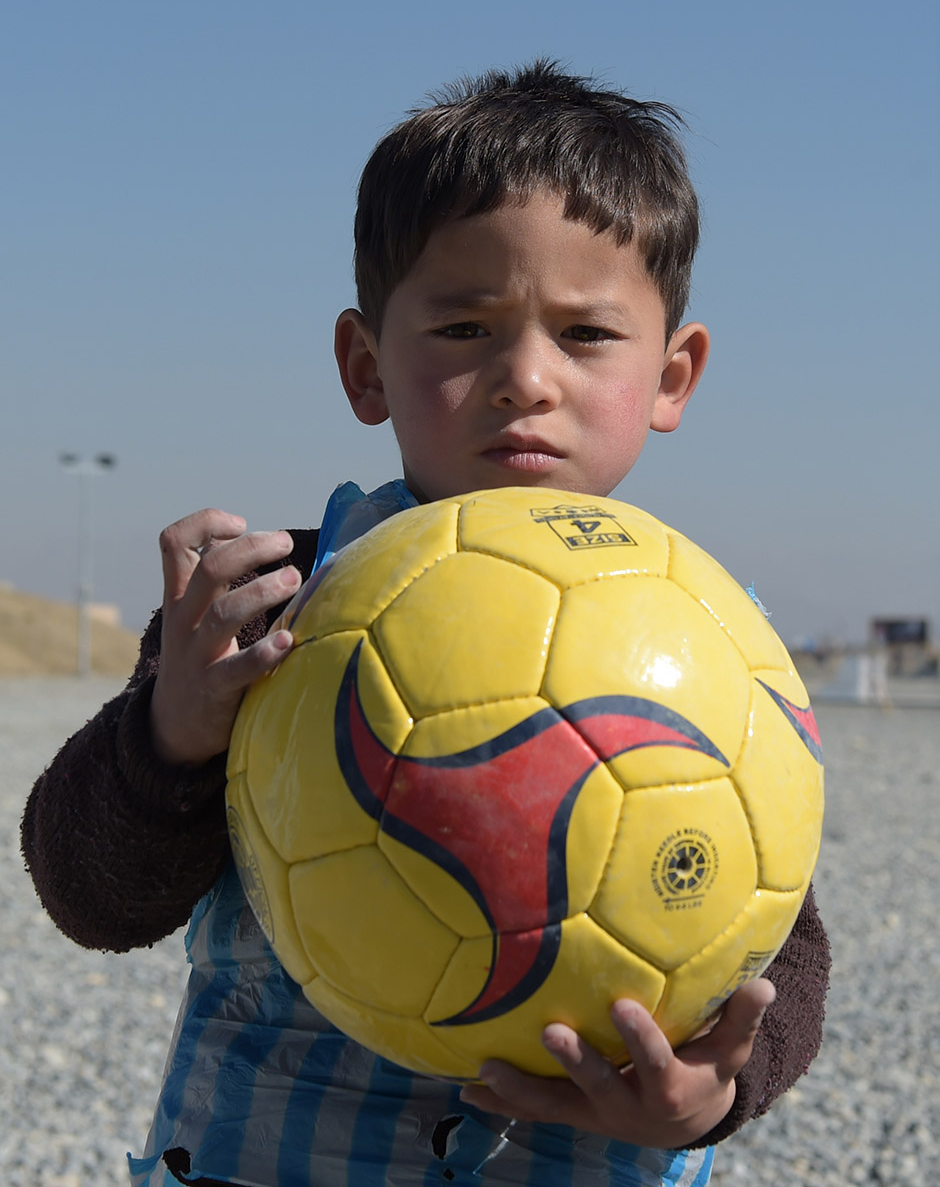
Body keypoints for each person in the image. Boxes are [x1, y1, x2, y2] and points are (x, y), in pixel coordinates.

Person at [21, 60, 830, 1187]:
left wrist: (715, 1094)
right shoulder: (264, 611)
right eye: (463, 327)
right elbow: (90, 897)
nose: (525, 378)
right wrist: (169, 729)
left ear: (671, 375)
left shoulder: (708, 643)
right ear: (365, 364)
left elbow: (775, 930)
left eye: (587, 335)